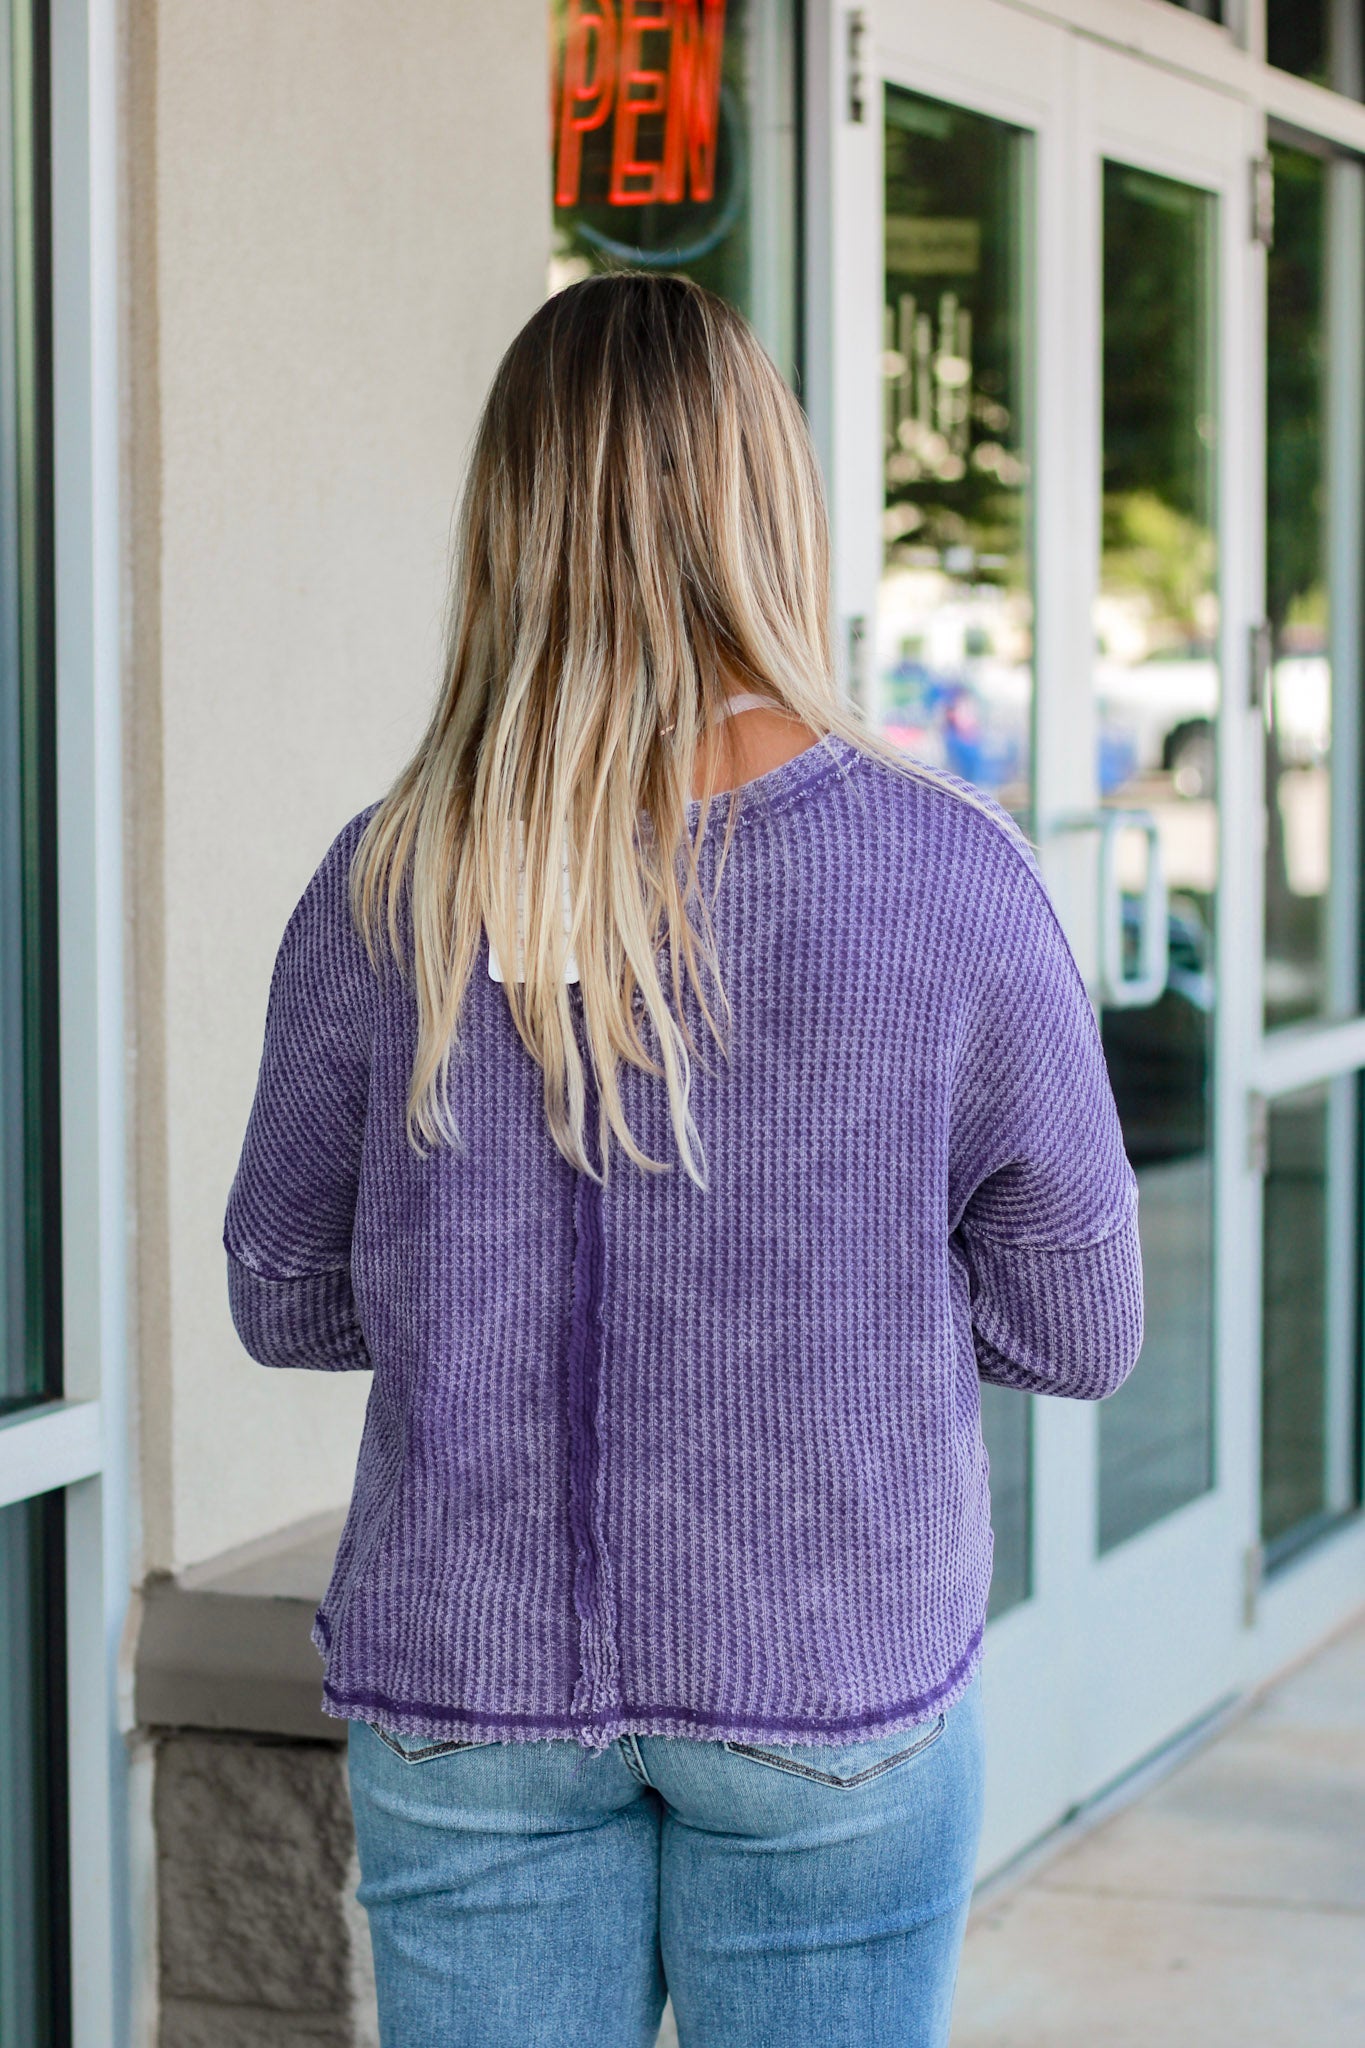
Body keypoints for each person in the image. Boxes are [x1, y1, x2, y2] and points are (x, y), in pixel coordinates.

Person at [223, 273, 1143, 2048]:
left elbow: (285, 1293)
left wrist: (483, 1288)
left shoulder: (386, 880)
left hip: (469, 1683)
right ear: (767, 506)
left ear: (508, 523)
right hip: (823, 1672)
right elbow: (1079, 1328)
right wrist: (831, 1303)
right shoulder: (946, 875)